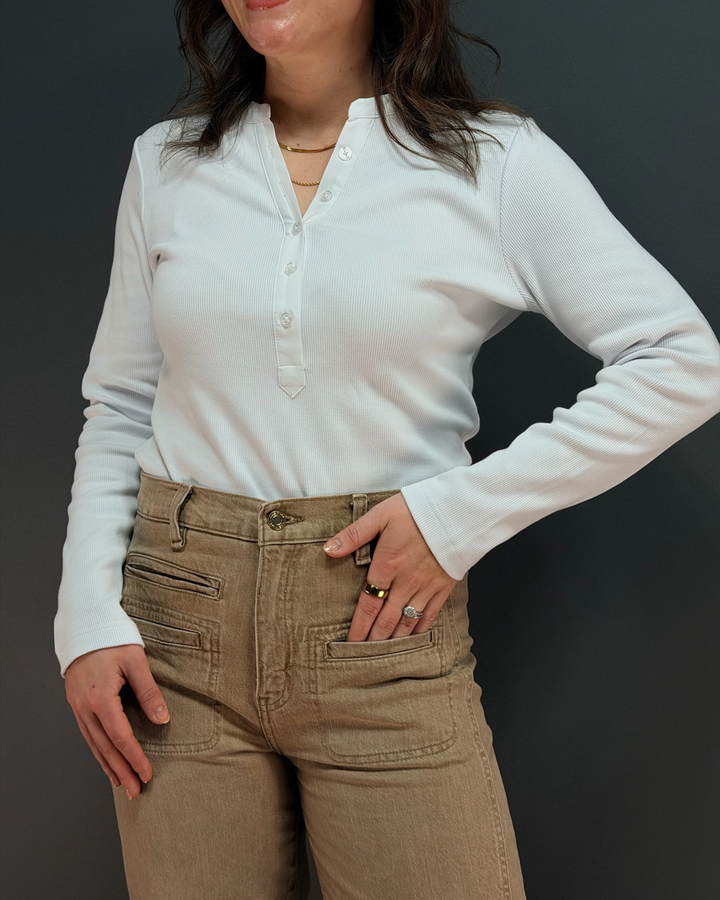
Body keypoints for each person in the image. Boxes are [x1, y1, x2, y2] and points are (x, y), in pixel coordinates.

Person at [55, 1, 720, 898]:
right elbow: (123, 402)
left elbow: (681, 360)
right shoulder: (168, 162)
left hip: (378, 627)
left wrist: (458, 516)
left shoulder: (489, 162)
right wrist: (85, 618)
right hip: (175, 635)